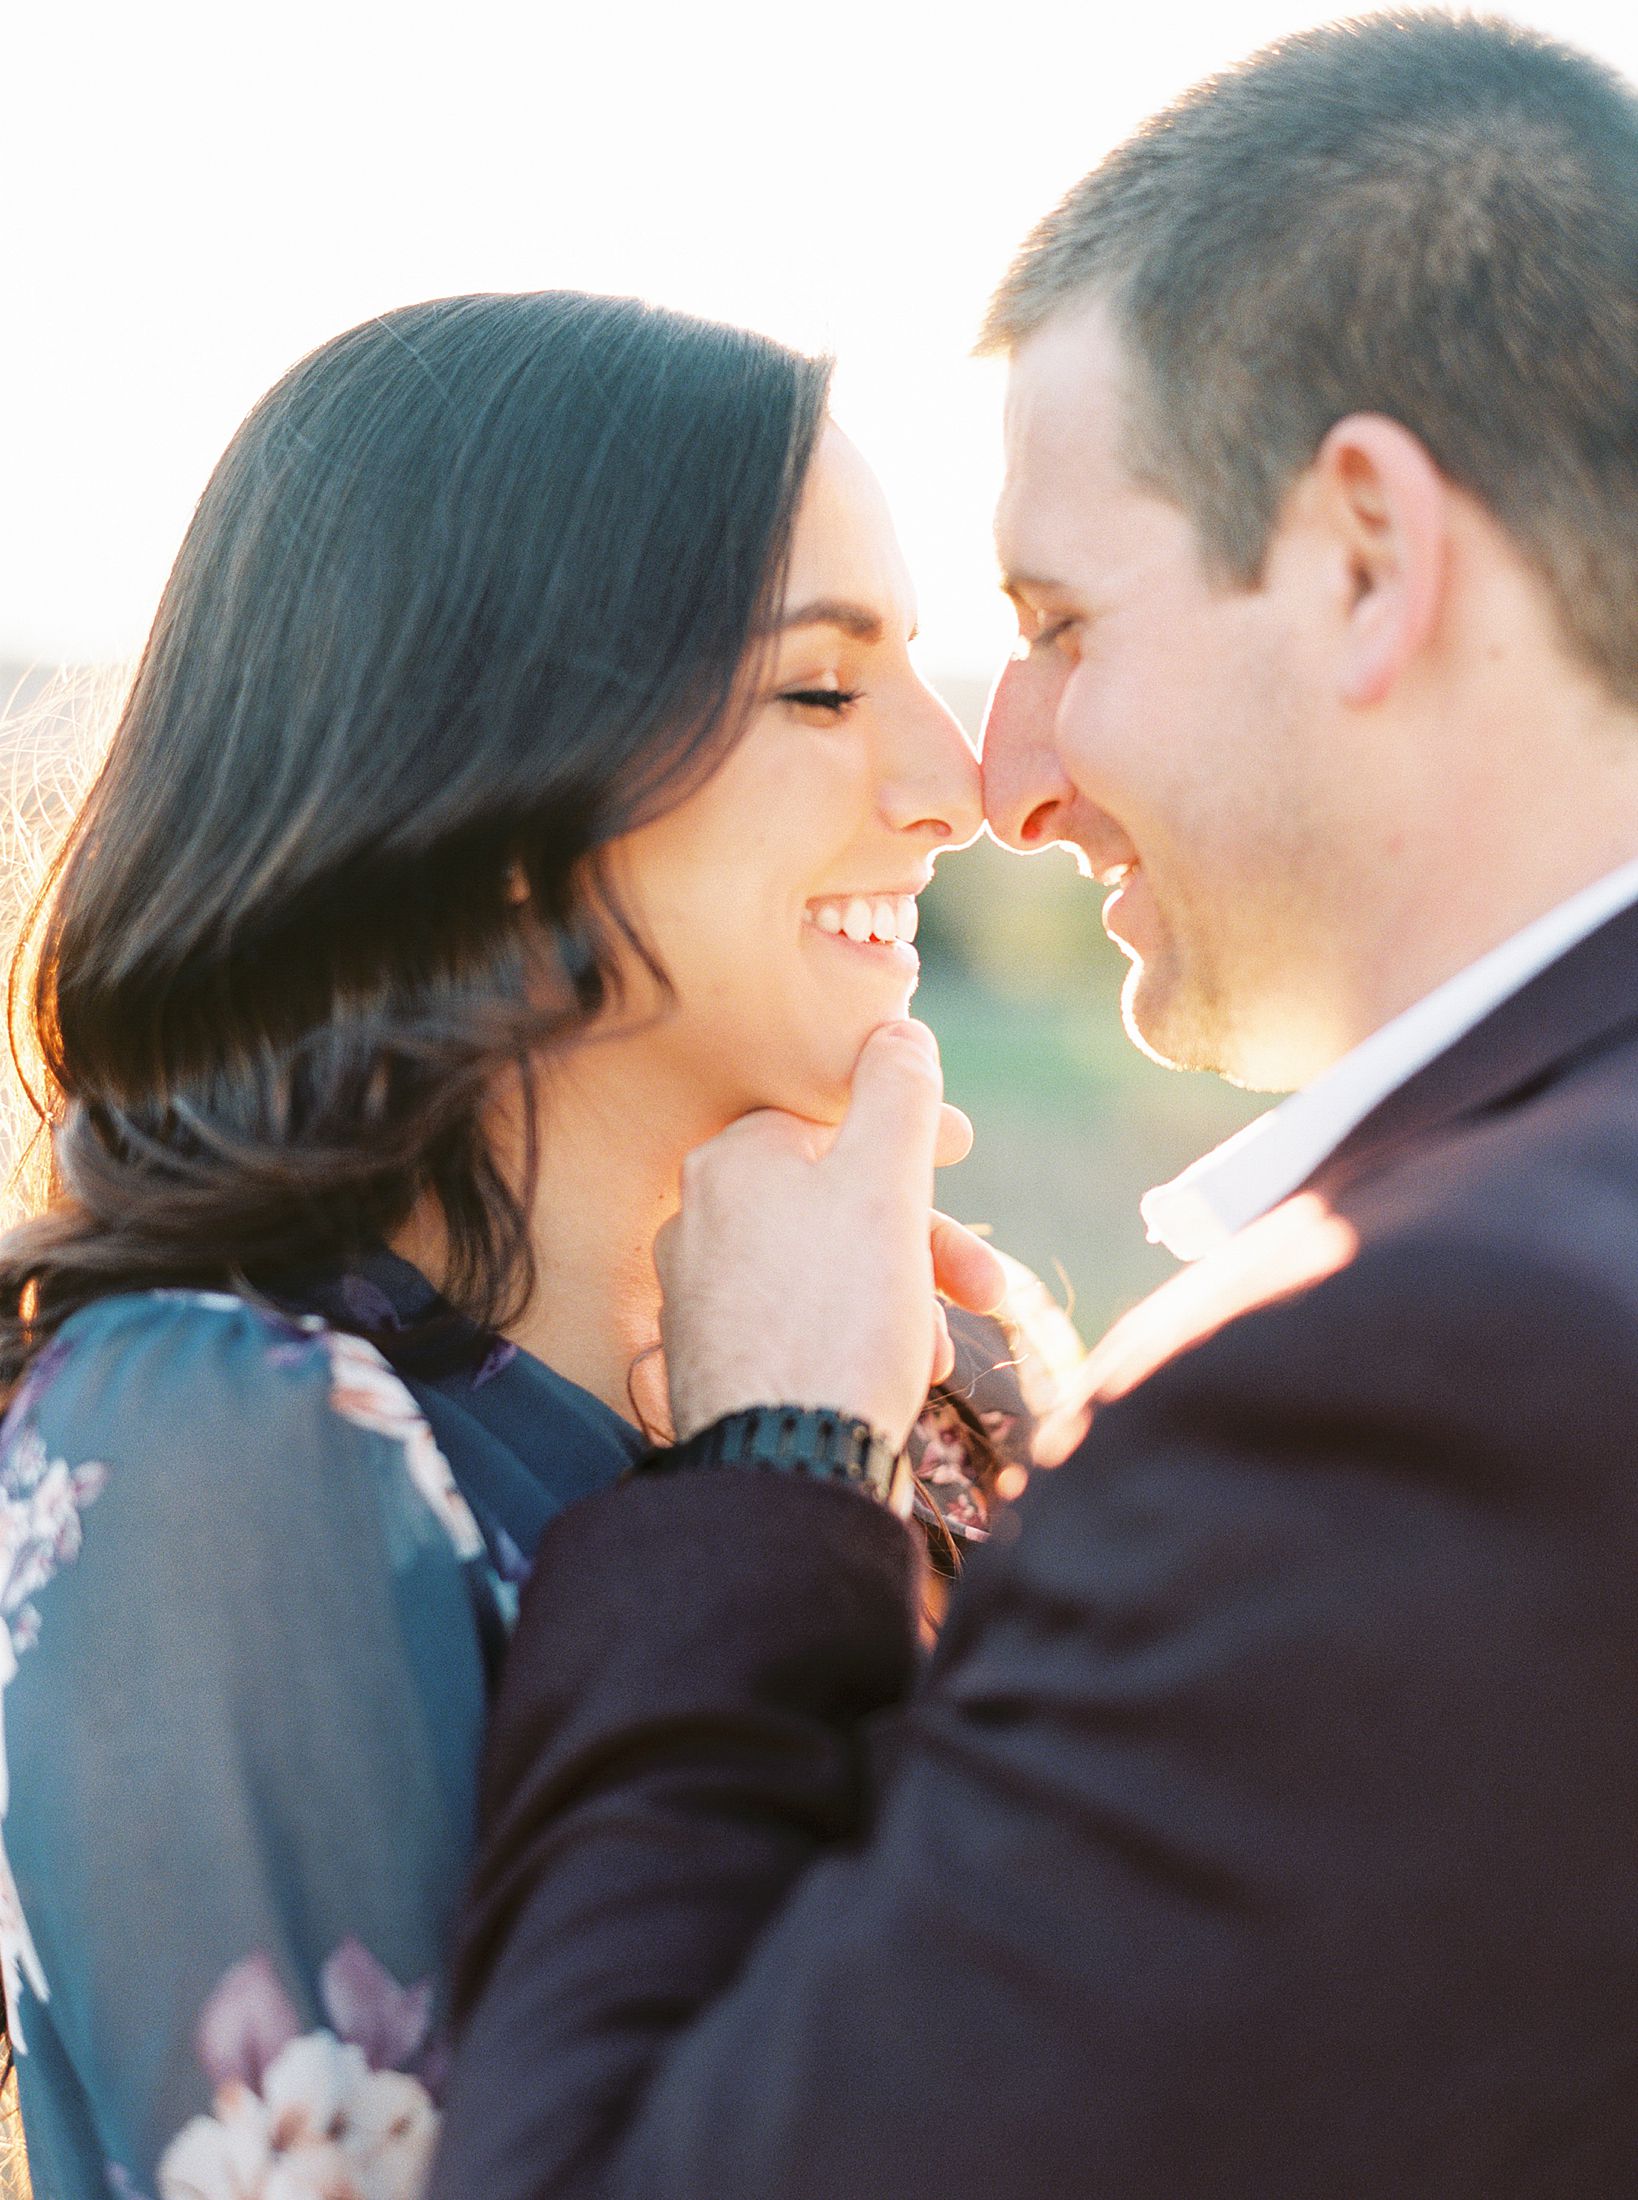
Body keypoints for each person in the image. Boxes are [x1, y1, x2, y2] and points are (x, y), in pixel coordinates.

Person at [430, 14, 1638, 2197]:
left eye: (1061, 618)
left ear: (1368, 551)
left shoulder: (1433, 1384)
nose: (1006, 771)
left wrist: (774, 1466)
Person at [0, 290, 1011, 2198]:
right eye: (819, 687)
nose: (952, 784)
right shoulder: (213, 1449)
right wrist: (772, 1481)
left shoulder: (919, 1380)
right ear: (490, 789)